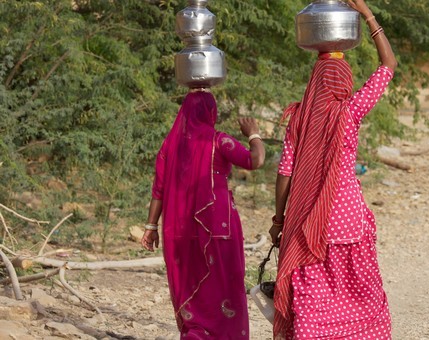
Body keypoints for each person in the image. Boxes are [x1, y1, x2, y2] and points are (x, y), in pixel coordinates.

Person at [268, 0, 397, 338]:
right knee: (359, 296)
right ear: (344, 84)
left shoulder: (298, 119)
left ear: (314, 83)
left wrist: (279, 221)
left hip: (308, 224)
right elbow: (388, 65)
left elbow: (285, 174)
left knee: (314, 299)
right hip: (347, 220)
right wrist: (368, 15)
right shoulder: (349, 113)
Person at [141, 89, 265, 339]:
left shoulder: (169, 146)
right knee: (224, 282)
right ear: (211, 113)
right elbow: (256, 160)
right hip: (218, 228)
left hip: (178, 230)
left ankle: (197, 333)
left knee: (190, 281)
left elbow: (159, 190)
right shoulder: (218, 140)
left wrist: (151, 227)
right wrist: (253, 133)